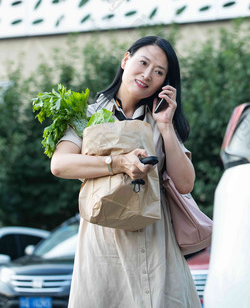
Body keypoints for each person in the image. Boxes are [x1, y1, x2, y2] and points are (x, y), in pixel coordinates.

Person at [51, 35, 202, 308]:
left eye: (159, 72)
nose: (147, 75)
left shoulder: (160, 120)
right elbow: (60, 164)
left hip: (157, 244)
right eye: (143, 63)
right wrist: (117, 163)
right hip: (103, 242)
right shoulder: (86, 115)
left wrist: (166, 126)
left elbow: (185, 183)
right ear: (125, 59)